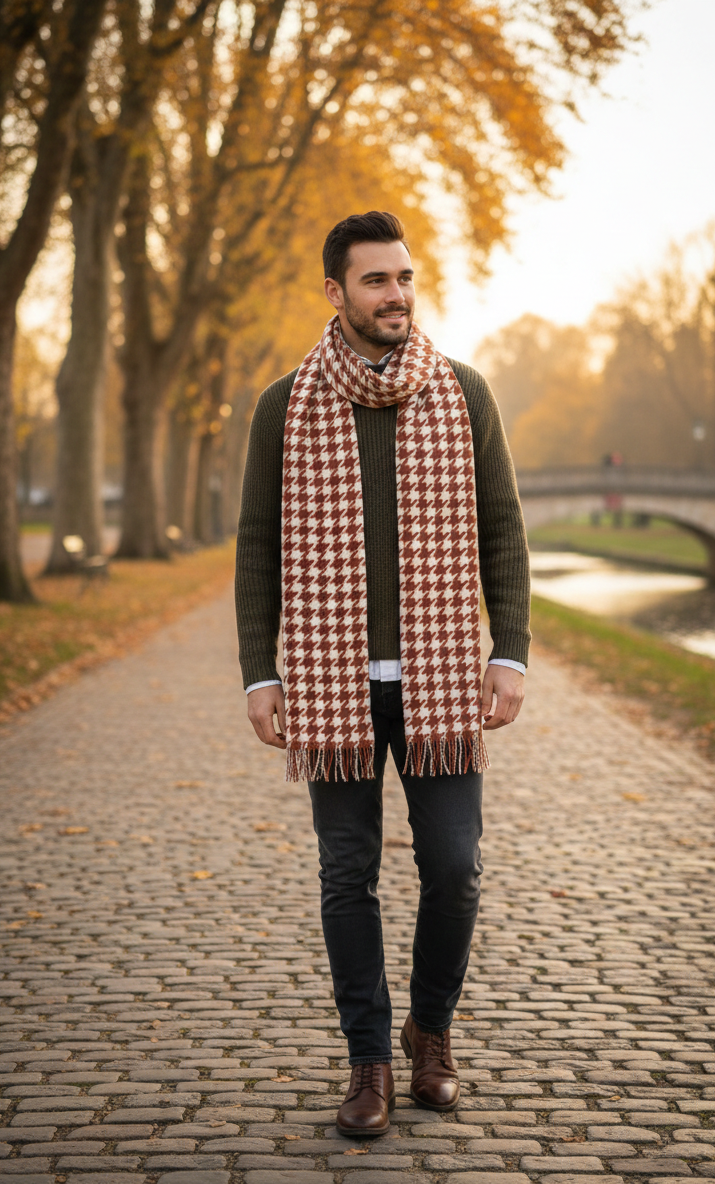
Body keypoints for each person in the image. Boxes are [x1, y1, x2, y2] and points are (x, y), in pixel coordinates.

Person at [235, 211, 530, 1136]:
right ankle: (367, 1063)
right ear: (336, 292)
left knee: (455, 869)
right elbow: (256, 547)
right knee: (347, 872)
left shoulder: (463, 391)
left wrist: (509, 649)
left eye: (404, 277)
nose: (396, 294)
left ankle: (429, 1033)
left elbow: (504, 531)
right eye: (375, 280)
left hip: (442, 680)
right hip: (332, 683)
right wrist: (260, 673)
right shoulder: (285, 406)